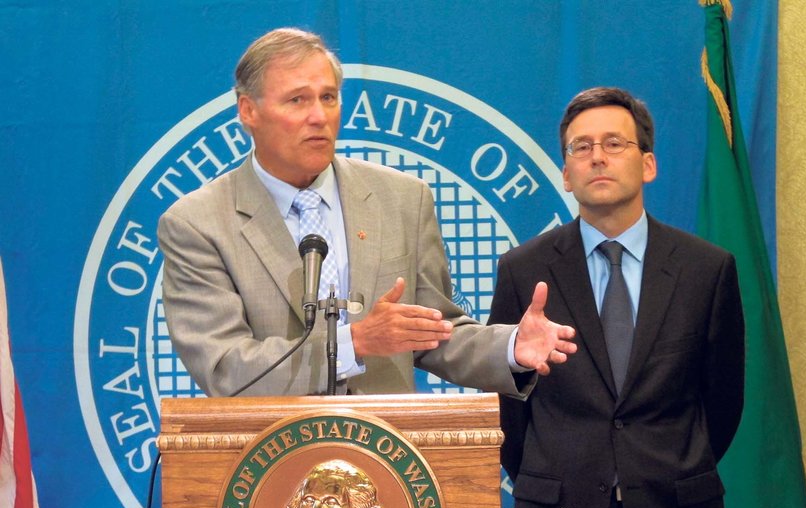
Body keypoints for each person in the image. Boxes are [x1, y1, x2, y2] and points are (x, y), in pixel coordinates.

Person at [157, 27, 576, 398]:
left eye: (328, 98)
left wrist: (510, 347)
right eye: (297, 100)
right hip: (268, 460)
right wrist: (352, 342)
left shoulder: (403, 199)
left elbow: (433, 333)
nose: (319, 117)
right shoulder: (199, 223)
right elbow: (225, 368)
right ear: (249, 111)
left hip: (386, 457)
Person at [488, 87, 745, 508]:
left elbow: (722, 404)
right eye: (581, 148)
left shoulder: (707, 270)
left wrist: (656, 469)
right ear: (564, 172)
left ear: (647, 163)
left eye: (613, 143)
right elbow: (509, 411)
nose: (597, 157)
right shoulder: (522, 271)